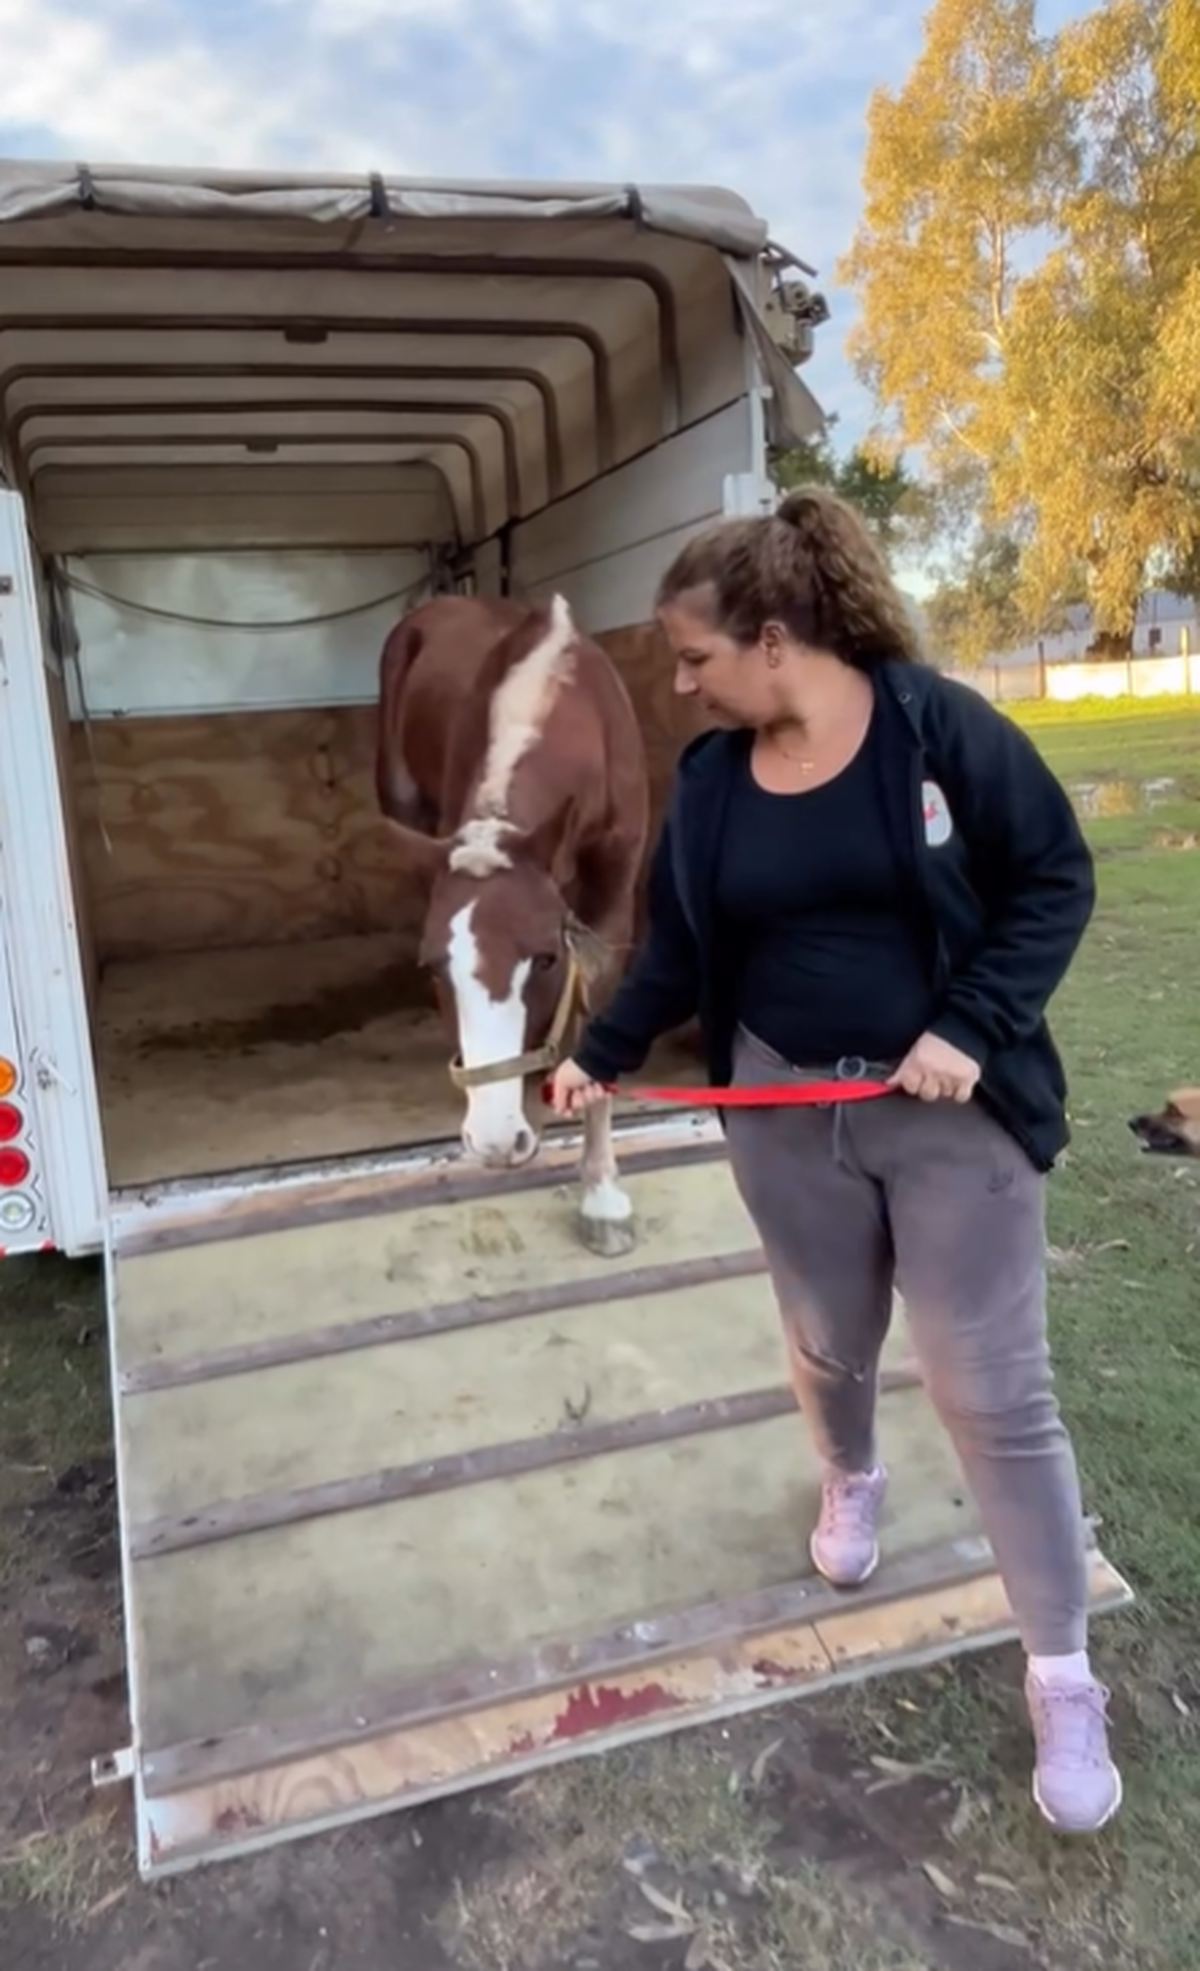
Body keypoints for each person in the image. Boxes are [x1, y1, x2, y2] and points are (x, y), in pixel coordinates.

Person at [547, 487, 1120, 1837]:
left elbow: (1054, 877)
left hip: (950, 1115)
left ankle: (1061, 1673)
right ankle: (850, 1475)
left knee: (993, 1390)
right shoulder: (711, 782)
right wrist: (604, 1052)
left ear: (775, 638)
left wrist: (969, 1028)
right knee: (827, 1341)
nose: (681, 684)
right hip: (784, 1111)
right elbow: (676, 949)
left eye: (695, 657)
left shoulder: (938, 730)